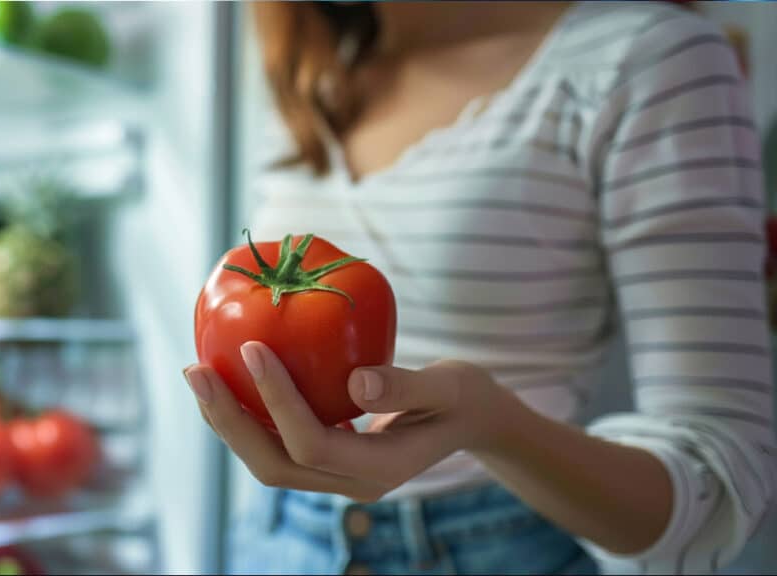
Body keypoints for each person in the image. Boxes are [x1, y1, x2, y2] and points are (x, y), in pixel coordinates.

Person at [183, 2, 777, 574]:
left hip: (504, 549)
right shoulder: (315, 69)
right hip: (275, 541)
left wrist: (493, 426)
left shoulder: (649, 61)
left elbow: (721, 488)